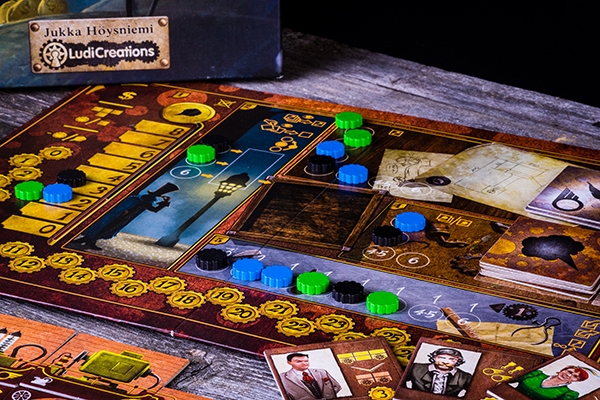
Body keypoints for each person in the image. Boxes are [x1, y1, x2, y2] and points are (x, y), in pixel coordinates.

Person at [72, 182, 178, 250]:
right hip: (120, 215)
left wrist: (164, 203)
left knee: (107, 228)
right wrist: (164, 203)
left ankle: (90, 240)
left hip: (124, 216)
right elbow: (153, 209)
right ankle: (89, 240)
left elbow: (153, 209)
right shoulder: (145, 198)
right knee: (105, 227)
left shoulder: (147, 198)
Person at [404, 347, 473, 397]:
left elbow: (474, 393)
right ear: (434, 358)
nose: (445, 362)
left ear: (457, 361)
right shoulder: (415, 368)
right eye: (441, 358)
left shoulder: (465, 377)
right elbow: (399, 379)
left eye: (452, 359)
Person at [511, 365, 589, 400]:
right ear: (563, 369)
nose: (568, 375)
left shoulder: (569, 394)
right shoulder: (537, 374)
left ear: (577, 381)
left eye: (575, 376)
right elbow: (510, 379)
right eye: (569, 371)